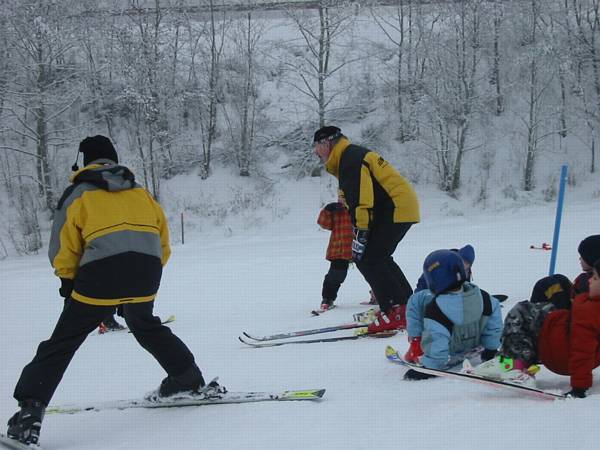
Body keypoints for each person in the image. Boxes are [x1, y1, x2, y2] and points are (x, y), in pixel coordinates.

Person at [5, 135, 220, 446]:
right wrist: (139, 276)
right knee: (145, 325)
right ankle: (187, 378)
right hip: (146, 273)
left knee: (63, 342)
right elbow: (162, 242)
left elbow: (63, 248)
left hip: (100, 277)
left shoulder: (78, 193)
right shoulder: (141, 193)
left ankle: (29, 415)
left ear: (85, 162)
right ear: (114, 160)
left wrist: (68, 280)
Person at [313, 126, 420, 333]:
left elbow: (361, 198)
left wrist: (361, 231)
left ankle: (395, 310)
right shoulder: (348, 156)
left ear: (326, 143)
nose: (315, 152)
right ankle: (406, 306)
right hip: (397, 206)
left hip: (394, 207)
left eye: (316, 146)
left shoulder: (349, 158)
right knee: (378, 257)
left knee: (368, 258)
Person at [473, 257, 600, 398]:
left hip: (561, 354)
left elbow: (583, 352)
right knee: (533, 310)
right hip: (560, 340)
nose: (590, 280)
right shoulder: (591, 305)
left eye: (595, 278)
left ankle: (511, 364)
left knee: (520, 312)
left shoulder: (590, 313)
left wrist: (579, 388)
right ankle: (517, 364)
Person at [403, 250, 503, 380]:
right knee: (418, 300)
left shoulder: (436, 310)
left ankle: (416, 345)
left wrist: (430, 367)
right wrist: (491, 349)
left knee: (415, 301)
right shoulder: (485, 298)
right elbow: (494, 326)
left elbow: (437, 338)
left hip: (450, 349)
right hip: (476, 343)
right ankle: (417, 344)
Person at [405, 245, 479, 362]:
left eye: (468, 264)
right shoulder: (442, 263)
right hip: (431, 297)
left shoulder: (462, 269)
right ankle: (416, 345)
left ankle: (459, 341)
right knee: (417, 304)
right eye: (464, 262)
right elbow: (423, 284)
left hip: (447, 301)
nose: (465, 265)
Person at [316, 197, 354, 310]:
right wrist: (327, 210)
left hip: (361, 246)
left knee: (371, 270)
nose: (342, 201)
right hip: (340, 248)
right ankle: (327, 299)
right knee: (336, 275)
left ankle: (379, 294)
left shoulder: (361, 207)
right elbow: (323, 223)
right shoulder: (336, 211)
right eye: (341, 198)